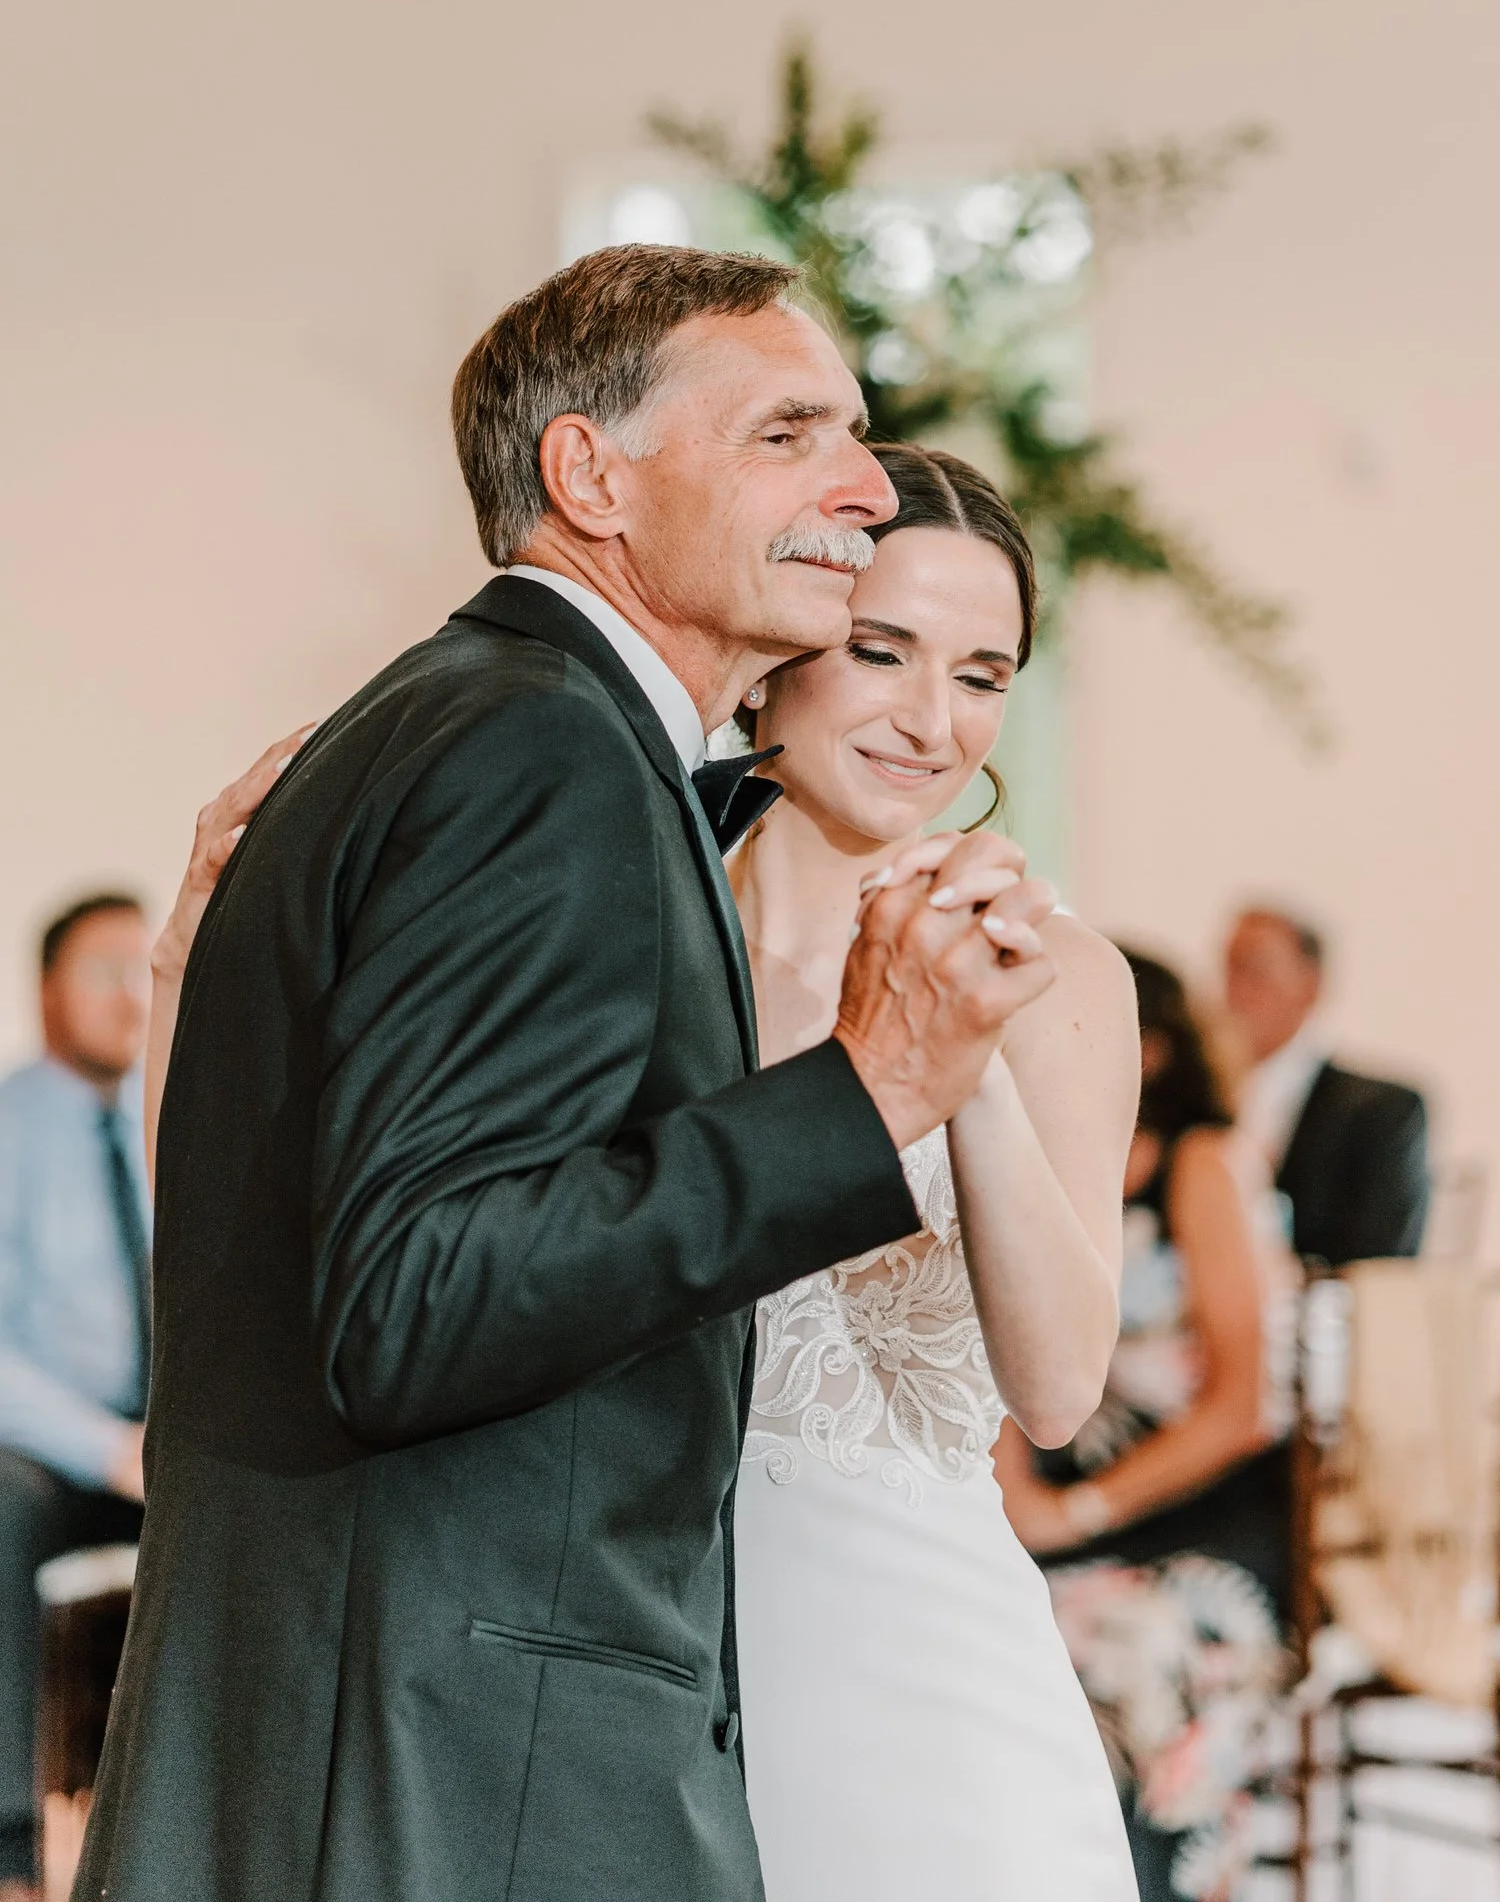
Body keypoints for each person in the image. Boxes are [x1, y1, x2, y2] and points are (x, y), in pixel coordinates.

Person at [76, 245, 1058, 1902]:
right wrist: (868, 1091)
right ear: (588, 473)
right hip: (457, 1770)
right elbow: (419, 1300)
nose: (866, 485)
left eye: (859, 436)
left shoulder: (488, 722)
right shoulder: (538, 748)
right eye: (787, 433)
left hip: (385, 1726)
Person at [727, 445, 1140, 1900]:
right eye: (882, 651)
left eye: (983, 674)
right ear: (778, 646)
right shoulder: (648, 947)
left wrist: (966, 1046)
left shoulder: (1067, 977)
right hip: (659, 1693)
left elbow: (1059, 1387)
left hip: (945, 1708)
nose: (930, 721)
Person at [996, 951, 1295, 1902]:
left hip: (1208, 1523)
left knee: (1116, 1663)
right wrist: (1018, 1509)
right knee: (989, 1656)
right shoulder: (1026, 1162)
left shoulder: (1204, 1163)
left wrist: (1079, 1512)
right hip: (1069, 1529)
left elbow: (1243, 1407)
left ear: (1148, 1051)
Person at [0, 896, 154, 1900]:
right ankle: (11, 1842)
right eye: (103, 969)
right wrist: (109, 1449)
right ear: (47, 987)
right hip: (60, 1455)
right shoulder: (11, 1130)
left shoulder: (174, 1116)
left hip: (172, 1439)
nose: (129, 996)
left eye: (145, 969)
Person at [1224, 906, 1429, 1265]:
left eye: (1254, 969)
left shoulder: (1381, 1110)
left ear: (1311, 986)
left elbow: (1377, 1255)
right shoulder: (1204, 1099)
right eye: (1228, 969)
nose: (1234, 991)